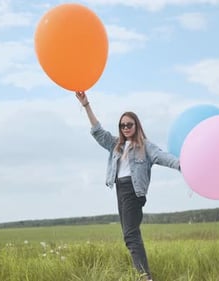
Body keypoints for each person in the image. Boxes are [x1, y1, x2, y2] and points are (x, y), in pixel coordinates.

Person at [75, 91, 181, 281]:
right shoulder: (116, 145)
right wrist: (86, 105)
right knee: (130, 236)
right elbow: (98, 132)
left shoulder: (145, 146)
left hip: (133, 191)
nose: (125, 127)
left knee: (131, 236)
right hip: (120, 190)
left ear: (136, 125)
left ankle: (145, 277)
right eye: (122, 125)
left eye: (129, 124)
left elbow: (162, 156)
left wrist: (182, 164)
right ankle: (145, 276)